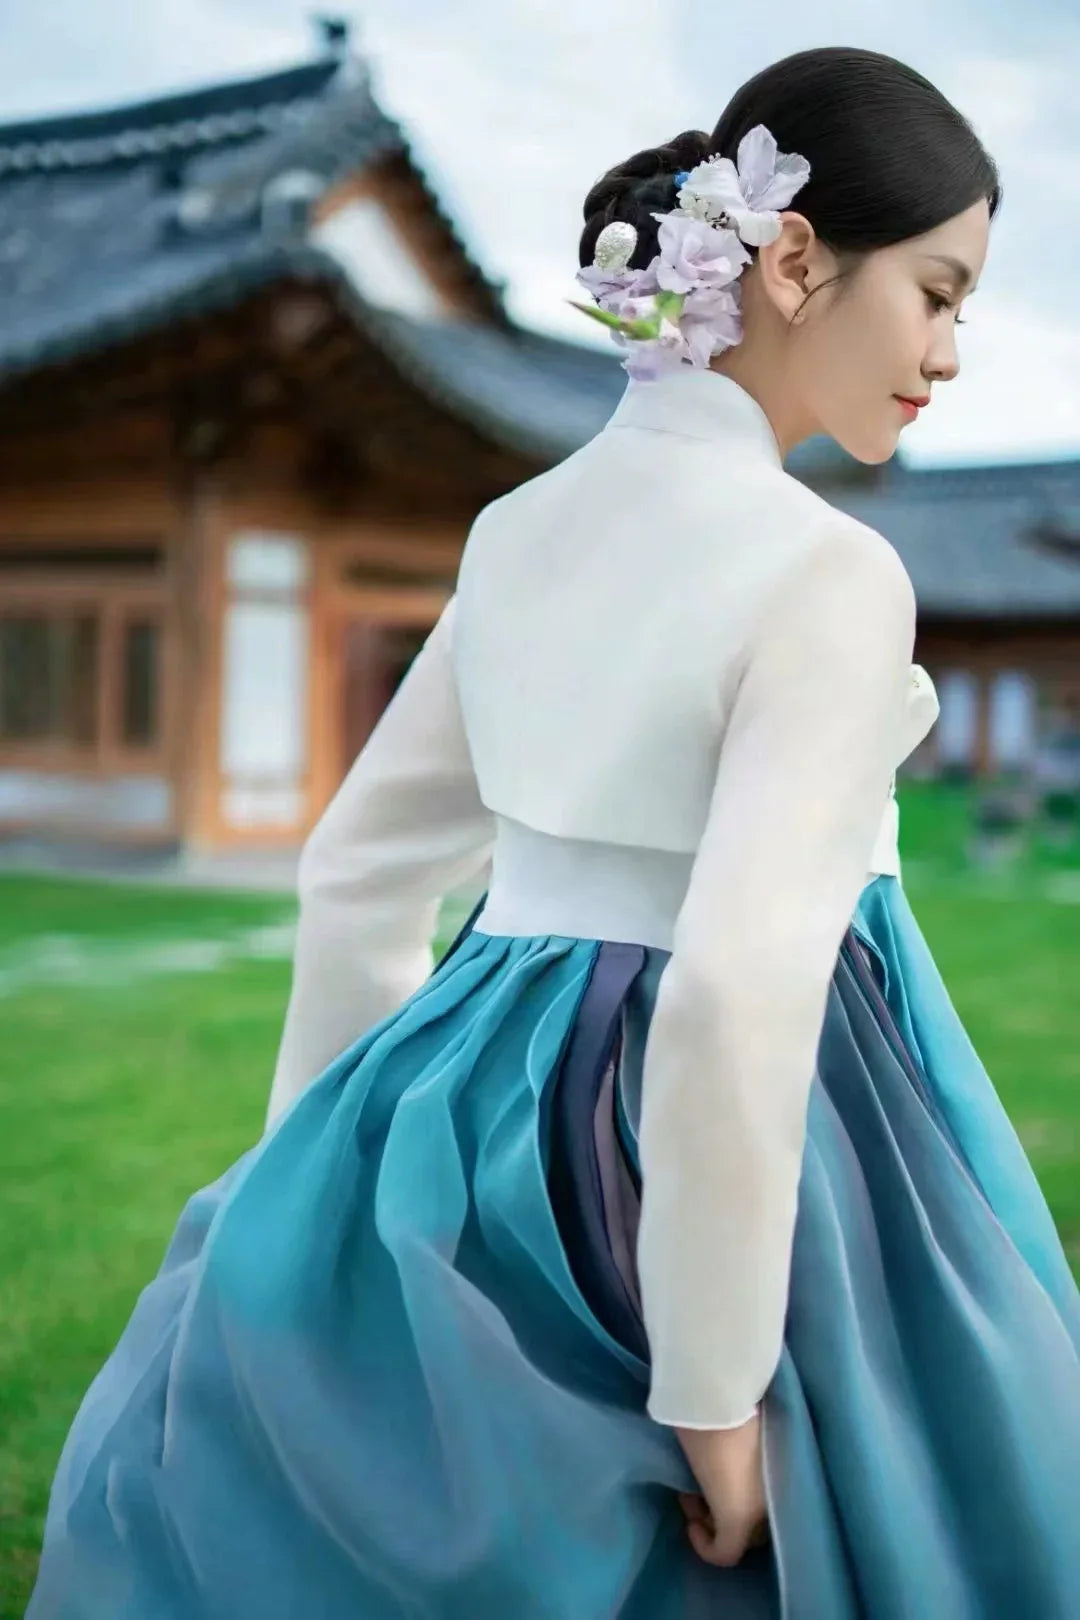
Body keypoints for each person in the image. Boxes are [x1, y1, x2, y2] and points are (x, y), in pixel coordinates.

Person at [29, 44, 1080, 1620]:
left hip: (486, 1112)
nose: (948, 349)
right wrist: (715, 1391)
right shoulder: (831, 572)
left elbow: (361, 873)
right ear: (794, 258)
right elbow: (731, 990)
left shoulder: (512, 532)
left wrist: (308, 1224)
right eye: (936, 292)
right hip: (770, 1145)